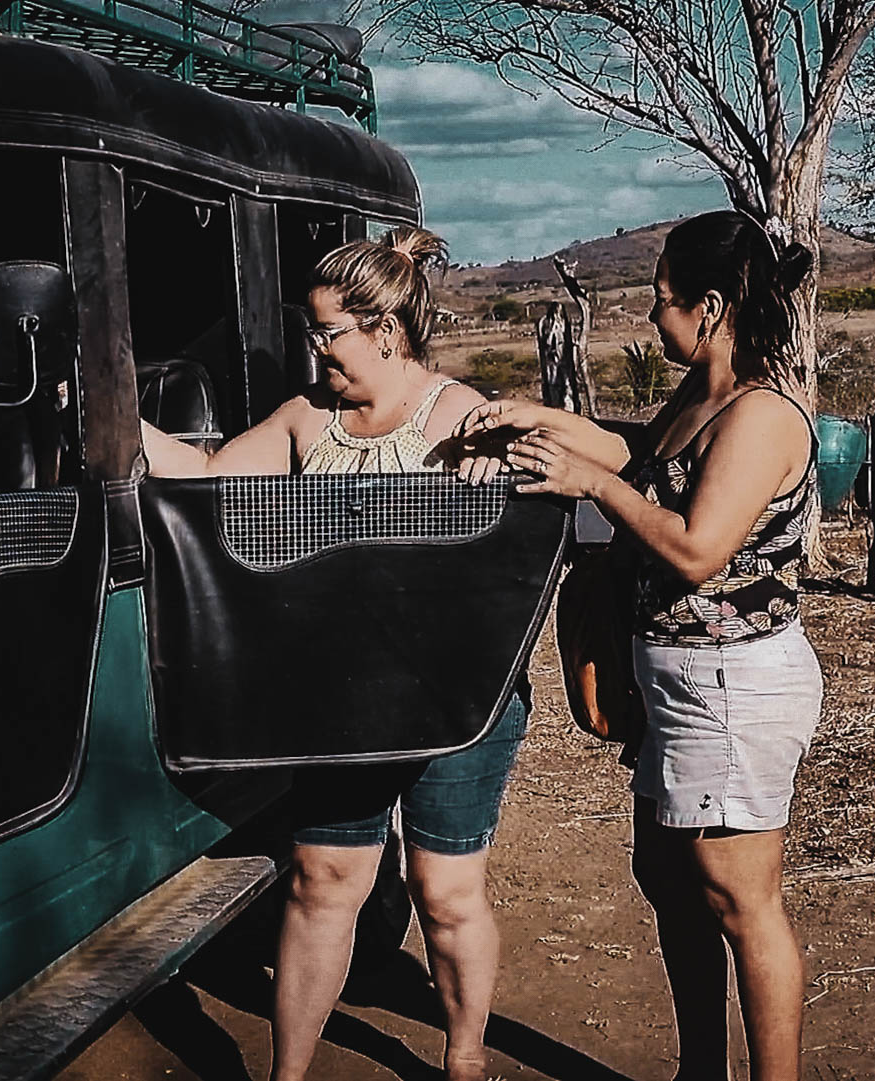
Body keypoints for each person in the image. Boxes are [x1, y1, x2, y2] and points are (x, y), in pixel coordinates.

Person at [141, 226, 522, 1081]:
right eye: (311, 331)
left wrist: (505, 463)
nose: (315, 349)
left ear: (385, 330)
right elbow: (207, 474)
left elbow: (529, 526)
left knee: (445, 891)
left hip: (458, 698)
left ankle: (465, 1062)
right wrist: (114, 418)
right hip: (345, 695)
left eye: (327, 332)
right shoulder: (307, 417)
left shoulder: (461, 416)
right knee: (322, 880)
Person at [455, 209, 822, 1081]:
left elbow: (697, 548)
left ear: (711, 306)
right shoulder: (703, 394)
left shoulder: (762, 414)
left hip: (731, 687)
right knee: (668, 877)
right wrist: (541, 422)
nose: (652, 316)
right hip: (683, 685)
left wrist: (590, 483)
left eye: (662, 299)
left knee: (740, 900)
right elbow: (640, 455)